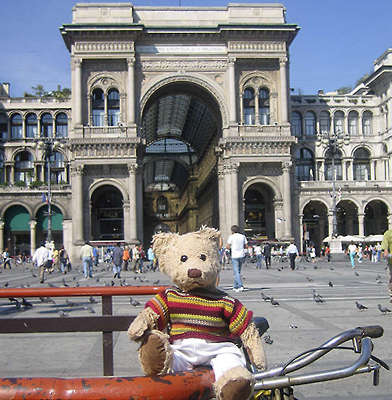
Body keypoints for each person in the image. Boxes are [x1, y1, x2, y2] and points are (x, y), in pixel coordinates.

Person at [226, 225, 247, 292]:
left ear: (232, 231)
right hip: (241, 255)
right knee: (238, 271)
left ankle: (240, 286)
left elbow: (228, 247)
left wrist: (231, 247)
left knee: (236, 271)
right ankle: (235, 286)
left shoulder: (231, 237)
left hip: (234, 255)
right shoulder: (243, 236)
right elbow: (246, 245)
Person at [381, 230, 392, 303]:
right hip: (391, 261)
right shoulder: (388, 233)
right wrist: (386, 251)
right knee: (391, 278)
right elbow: (385, 247)